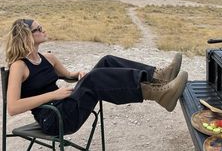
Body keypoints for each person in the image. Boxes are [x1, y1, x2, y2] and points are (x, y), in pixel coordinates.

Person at [5, 18, 188, 136]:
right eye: (39, 28)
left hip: (66, 103)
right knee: (95, 78)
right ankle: (159, 94)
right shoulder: (19, 66)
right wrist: (53, 95)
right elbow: (13, 107)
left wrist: (78, 75)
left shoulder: (49, 58)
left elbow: (69, 75)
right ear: (27, 36)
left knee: (106, 61)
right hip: (54, 118)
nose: (44, 30)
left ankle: (158, 76)